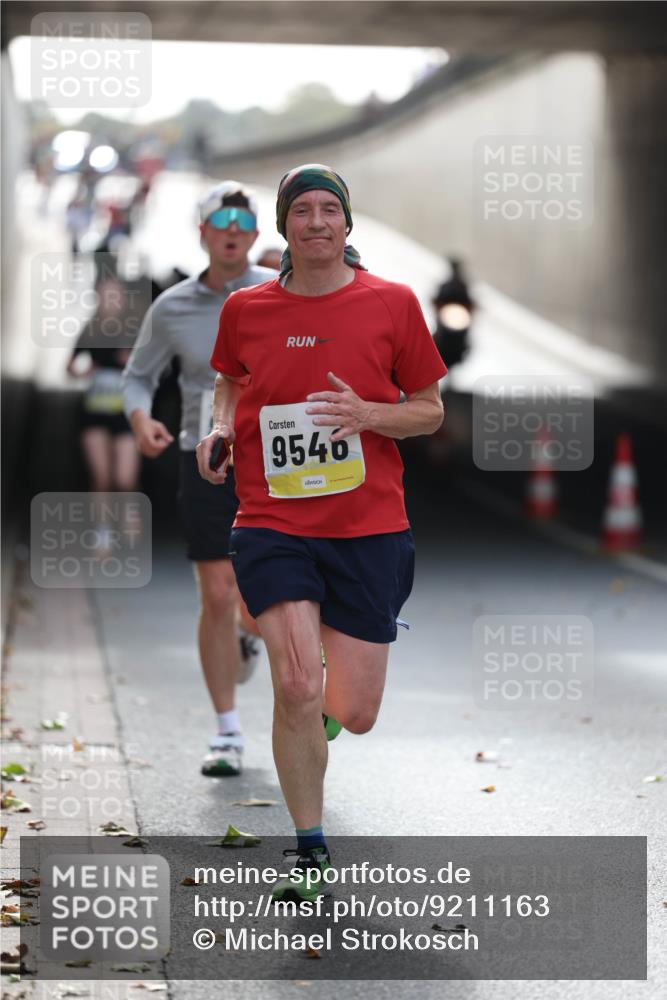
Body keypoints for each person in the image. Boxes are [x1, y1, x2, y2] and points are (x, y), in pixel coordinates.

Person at [197, 164, 447, 900]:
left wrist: (368, 415)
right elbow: (230, 380)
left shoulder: (392, 304)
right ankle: (310, 851)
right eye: (300, 210)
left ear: (346, 224)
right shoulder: (246, 310)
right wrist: (217, 430)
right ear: (284, 227)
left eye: (327, 210)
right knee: (297, 683)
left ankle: (320, 720)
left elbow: (429, 408)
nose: (314, 222)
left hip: (369, 526)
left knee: (354, 712)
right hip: (272, 520)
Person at [122, 181, 275, 777]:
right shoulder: (174, 307)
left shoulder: (276, 294)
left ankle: (249, 630)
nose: (232, 229)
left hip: (271, 461)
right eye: (221, 219)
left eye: (243, 220)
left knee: (258, 601)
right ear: (204, 232)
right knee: (215, 592)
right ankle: (228, 732)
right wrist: (140, 419)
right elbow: (138, 376)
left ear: (256, 235)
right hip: (204, 458)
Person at [68, 272, 142, 545]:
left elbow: (151, 370)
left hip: (125, 415)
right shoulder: (90, 329)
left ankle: (129, 511)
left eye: (116, 296)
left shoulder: (133, 331)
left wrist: (130, 364)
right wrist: (86, 372)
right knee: (101, 475)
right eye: (106, 295)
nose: (111, 301)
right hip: (95, 412)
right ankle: (103, 532)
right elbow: (70, 366)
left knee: (124, 477)